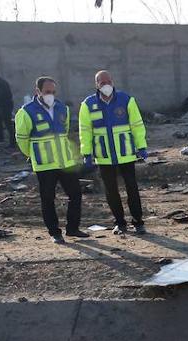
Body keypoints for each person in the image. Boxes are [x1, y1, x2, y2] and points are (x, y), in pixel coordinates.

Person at [15, 76, 87, 244]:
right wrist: (33, 155)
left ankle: (73, 229)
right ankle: (55, 232)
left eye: (53, 92)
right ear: (38, 91)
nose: (51, 95)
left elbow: (66, 130)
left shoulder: (63, 109)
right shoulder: (26, 112)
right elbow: (21, 138)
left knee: (75, 194)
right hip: (45, 164)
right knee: (48, 199)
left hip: (65, 162)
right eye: (47, 92)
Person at [79, 70, 149, 235]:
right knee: (111, 191)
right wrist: (86, 153)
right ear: (96, 84)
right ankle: (120, 223)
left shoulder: (126, 100)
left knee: (132, 188)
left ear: (113, 81)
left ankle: (138, 222)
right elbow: (85, 130)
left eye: (108, 81)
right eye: (102, 82)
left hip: (126, 153)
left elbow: (137, 125)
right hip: (104, 156)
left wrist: (141, 146)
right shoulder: (88, 104)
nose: (106, 85)